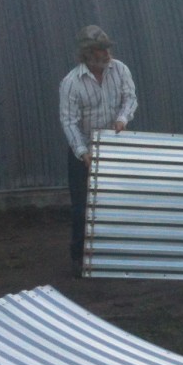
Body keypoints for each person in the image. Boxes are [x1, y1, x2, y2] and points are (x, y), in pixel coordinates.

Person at [58, 25, 138, 277]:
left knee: (117, 201)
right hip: (84, 148)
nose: (106, 54)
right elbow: (69, 121)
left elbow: (130, 98)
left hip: (114, 146)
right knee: (83, 206)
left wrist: (123, 119)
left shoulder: (121, 69)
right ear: (86, 54)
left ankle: (116, 252)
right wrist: (83, 153)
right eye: (100, 50)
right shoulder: (71, 83)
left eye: (107, 48)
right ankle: (79, 257)